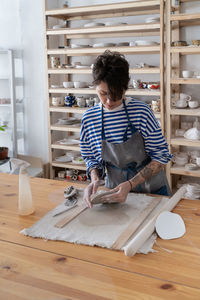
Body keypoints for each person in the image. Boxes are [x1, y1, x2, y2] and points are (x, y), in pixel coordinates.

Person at [80, 50, 172, 208]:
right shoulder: (90, 119)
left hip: (152, 191)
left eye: (115, 95)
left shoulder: (141, 112)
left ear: (125, 88)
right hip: (113, 191)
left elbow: (161, 156)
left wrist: (130, 184)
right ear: (95, 87)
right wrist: (95, 180)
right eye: (103, 94)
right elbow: (91, 159)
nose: (109, 101)